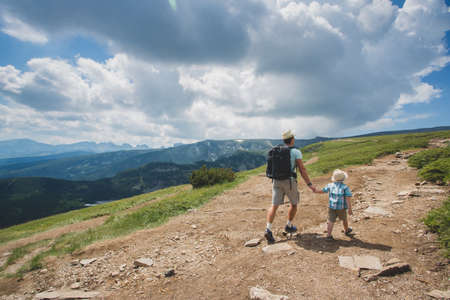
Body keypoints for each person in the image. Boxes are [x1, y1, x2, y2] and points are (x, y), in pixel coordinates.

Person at [264, 130, 316, 244]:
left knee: (274, 205)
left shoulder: (276, 151)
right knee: (294, 203)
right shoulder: (296, 152)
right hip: (289, 181)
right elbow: (302, 169)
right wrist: (309, 184)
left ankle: (268, 229)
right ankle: (288, 225)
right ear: (292, 139)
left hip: (276, 181)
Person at [314, 169, 353, 240]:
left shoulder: (330, 185)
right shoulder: (345, 187)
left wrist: (316, 190)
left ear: (334, 178)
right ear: (344, 178)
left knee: (331, 221)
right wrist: (350, 209)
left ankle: (328, 235)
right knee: (344, 219)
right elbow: (348, 199)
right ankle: (346, 230)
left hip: (331, 207)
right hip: (341, 208)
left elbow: (323, 191)